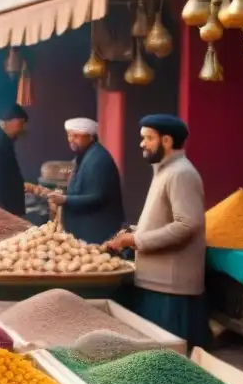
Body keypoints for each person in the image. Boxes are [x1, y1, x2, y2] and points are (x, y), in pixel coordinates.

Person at [106, 114, 208, 351]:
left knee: (171, 358)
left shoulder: (180, 173)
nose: (142, 144)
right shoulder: (165, 170)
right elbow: (164, 219)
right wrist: (130, 233)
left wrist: (136, 239)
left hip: (170, 287)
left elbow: (187, 225)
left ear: (167, 141)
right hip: (157, 282)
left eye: (148, 138)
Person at [47, 118, 124, 245]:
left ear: (91, 137)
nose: (71, 139)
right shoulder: (85, 154)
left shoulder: (98, 160)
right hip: (84, 232)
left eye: (76, 136)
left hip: (96, 233)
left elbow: (97, 198)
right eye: (69, 135)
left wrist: (64, 199)